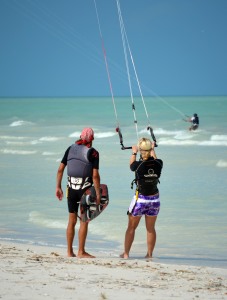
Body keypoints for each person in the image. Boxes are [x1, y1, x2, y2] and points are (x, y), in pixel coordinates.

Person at [56, 127, 101, 258]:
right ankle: (81, 251)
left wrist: (58, 187)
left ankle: (69, 252)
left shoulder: (70, 148)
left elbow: (60, 170)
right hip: (84, 190)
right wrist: (98, 194)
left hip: (71, 189)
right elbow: (95, 176)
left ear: (81, 137)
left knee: (71, 221)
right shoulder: (93, 153)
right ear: (92, 139)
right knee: (84, 221)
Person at [120, 137, 163, 259]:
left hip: (141, 200)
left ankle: (126, 254)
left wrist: (134, 152)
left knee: (131, 227)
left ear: (141, 150)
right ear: (150, 150)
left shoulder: (138, 166)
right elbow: (155, 159)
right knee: (150, 229)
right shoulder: (159, 163)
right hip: (154, 201)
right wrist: (152, 149)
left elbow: (131, 166)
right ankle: (149, 254)